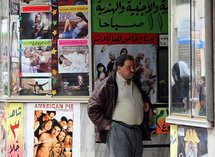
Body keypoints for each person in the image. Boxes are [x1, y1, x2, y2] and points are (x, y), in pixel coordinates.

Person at [88, 54, 152, 157]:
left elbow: (143, 98)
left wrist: (145, 105)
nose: (132, 70)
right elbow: (92, 107)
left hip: (136, 129)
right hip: (118, 129)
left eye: (133, 67)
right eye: (129, 67)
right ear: (119, 68)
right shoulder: (108, 84)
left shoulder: (135, 82)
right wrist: (104, 124)